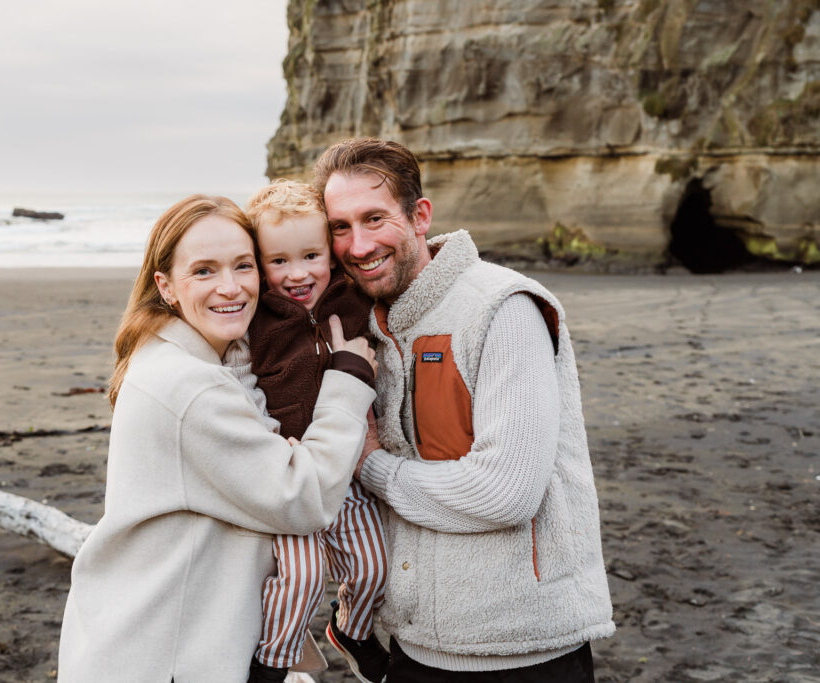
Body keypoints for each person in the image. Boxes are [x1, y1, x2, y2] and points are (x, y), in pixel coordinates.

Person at [313, 138, 615, 682]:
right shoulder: (368, 328)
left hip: (525, 654)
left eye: (374, 218)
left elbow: (506, 491)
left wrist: (372, 465)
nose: (358, 245)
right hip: (414, 648)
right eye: (340, 227)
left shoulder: (502, 309)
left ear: (420, 216)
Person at [57, 195, 378, 683]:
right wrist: (348, 384)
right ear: (165, 285)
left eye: (242, 266)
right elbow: (302, 498)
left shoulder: (189, 356)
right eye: (204, 271)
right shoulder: (189, 386)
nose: (230, 287)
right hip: (165, 654)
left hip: (156, 633)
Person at [231, 180, 389, 683]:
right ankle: (274, 662)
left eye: (311, 256)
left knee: (372, 567)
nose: (298, 275)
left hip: (347, 474)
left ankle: (352, 630)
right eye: (279, 262)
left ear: (330, 253)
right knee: (300, 578)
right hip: (291, 476)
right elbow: (235, 385)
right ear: (258, 262)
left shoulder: (354, 301)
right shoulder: (254, 323)